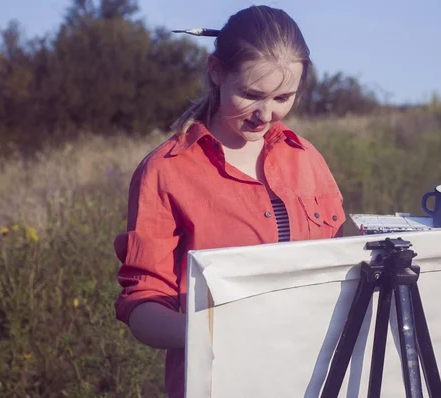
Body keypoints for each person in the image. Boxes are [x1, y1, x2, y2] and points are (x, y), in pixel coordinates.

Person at [113, 5, 346, 397]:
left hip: (316, 377)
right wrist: (211, 332)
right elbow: (143, 305)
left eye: (283, 97)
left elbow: (348, 263)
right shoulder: (165, 171)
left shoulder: (306, 157)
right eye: (251, 95)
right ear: (217, 71)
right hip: (222, 382)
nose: (265, 114)